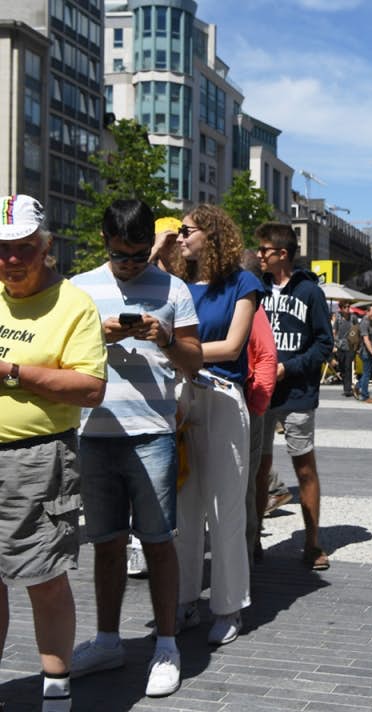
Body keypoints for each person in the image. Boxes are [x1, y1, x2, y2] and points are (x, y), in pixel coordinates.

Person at [69, 199, 203, 697]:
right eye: (121, 255)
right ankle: (108, 639)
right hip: (93, 432)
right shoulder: (80, 289)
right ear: (105, 242)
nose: (130, 264)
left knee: (158, 541)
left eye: (139, 254)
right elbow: (64, 359)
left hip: (151, 432)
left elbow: (193, 359)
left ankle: (166, 643)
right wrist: (96, 338)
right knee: (105, 544)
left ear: (153, 243)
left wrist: (164, 335)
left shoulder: (174, 288)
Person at [0, 194, 107, 712]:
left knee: (41, 577)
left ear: (46, 248)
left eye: (23, 248)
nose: (11, 260)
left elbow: (90, 388)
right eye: (2, 250)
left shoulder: (73, 304)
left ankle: (57, 686)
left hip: (37, 459)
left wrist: (13, 371)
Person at [174, 204, 261, 646]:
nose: (180, 236)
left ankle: (228, 606)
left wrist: (176, 349)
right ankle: (185, 596)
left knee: (225, 506)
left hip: (223, 395)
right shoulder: (177, 284)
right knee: (184, 506)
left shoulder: (241, 282)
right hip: (183, 397)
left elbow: (231, 347)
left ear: (210, 233)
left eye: (186, 230)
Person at [254, 222, 333, 571]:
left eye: (264, 250)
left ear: (282, 254)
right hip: (259, 392)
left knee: (304, 469)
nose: (258, 255)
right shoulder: (255, 289)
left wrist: (290, 367)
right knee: (259, 468)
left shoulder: (309, 293)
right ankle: (252, 538)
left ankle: (312, 543)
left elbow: (324, 344)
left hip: (297, 393)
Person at [239, 249, 278, 566]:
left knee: (245, 486)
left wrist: (257, 404)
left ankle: (245, 553)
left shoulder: (253, 306)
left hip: (246, 404)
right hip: (241, 404)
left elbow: (266, 357)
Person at [356, 304, 372, 403]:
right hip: (365, 351)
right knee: (367, 373)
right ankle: (364, 396)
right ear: (367, 311)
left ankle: (357, 387)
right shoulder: (365, 322)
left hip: (369, 351)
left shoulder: (370, 322)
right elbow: (366, 340)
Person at [333, 301, 355, 397]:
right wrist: (334, 344)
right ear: (341, 308)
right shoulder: (338, 318)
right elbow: (334, 332)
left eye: (348, 306)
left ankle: (348, 389)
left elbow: (357, 329)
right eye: (345, 307)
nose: (347, 308)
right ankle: (346, 384)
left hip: (350, 346)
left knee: (348, 367)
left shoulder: (353, 318)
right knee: (342, 367)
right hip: (340, 346)